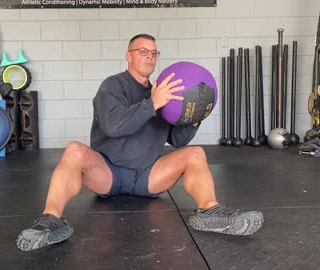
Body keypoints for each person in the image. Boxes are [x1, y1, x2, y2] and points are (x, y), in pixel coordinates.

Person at [16, 34, 264, 252]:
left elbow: (177, 140)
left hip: (148, 176)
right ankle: (51, 221)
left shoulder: (163, 93)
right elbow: (114, 127)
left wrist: (193, 119)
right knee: (74, 150)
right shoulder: (113, 86)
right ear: (129, 56)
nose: (150, 57)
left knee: (195, 153)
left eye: (154, 52)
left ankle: (210, 211)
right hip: (108, 173)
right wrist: (152, 104)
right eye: (142, 51)